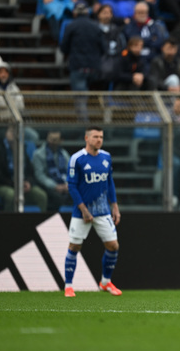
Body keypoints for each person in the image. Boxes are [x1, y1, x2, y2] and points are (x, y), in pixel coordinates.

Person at [64, 126, 122, 298]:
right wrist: (83, 209)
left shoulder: (106, 157)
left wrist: (115, 205)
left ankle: (105, 282)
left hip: (103, 210)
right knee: (75, 246)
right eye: (95, 136)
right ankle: (68, 285)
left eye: (101, 137)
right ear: (86, 138)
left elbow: (109, 181)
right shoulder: (77, 159)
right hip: (82, 211)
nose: (99, 140)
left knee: (113, 246)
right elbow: (72, 186)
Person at [0, 126, 48, 212]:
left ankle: (40, 224)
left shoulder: (22, 149)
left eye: (16, 131)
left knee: (41, 195)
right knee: (11, 195)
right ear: (5, 134)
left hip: (23, 185)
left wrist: (28, 182)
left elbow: (30, 171)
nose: (13, 134)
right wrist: (14, 184)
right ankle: (9, 223)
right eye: (11, 131)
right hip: (4, 185)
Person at [32, 131, 71, 211]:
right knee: (57, 198)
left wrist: (67, 184)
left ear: (61, 141)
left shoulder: (64, 154)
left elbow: (71, 172)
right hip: (46, 185)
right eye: (50, 139)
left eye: (55, 140)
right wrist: (55, 186)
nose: (51, 142)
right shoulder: (38, 154)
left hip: (64, 184)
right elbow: (40, 175)